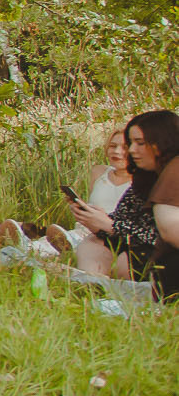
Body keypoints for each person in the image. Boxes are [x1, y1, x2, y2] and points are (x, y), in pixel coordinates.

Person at [34, 124, 133, 270]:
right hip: (85, 226)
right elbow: (94, 202)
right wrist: (80, 206)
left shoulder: (142, 181)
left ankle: (64, 247)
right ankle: (23, 243)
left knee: (73, 240)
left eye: (124, 147)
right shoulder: (99, 172)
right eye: (113, 146)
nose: (117, 151)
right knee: (52, 240)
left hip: (108, 233)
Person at [103, 110, 179, 299]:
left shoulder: (174, 168)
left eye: (140, 143)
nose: (131, 150)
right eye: (131, 143)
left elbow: (169, 228)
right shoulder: (155, 176)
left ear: (163, 142)